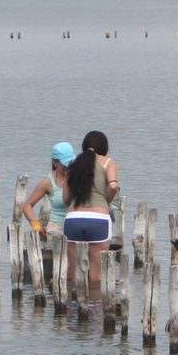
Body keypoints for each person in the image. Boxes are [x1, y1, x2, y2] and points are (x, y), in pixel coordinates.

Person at [62, 130, 120, 303]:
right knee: (96, 272)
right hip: (99, 220)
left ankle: (71, 308)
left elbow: (66, 199)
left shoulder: (73, 165)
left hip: (73, 219)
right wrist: (105, 199)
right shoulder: (108, 162)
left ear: (84, 146)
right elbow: (113, 186)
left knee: (72, 269)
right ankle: (94, 309)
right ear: (104, 147)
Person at [19, 142, 73, 240]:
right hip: (56, 230)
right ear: (55, 163)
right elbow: (27, 206)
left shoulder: (79, 176)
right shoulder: (47, 183)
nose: (68, 166)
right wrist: (37, 226)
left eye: (71, 162)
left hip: (75, 229)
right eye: (65, 163)